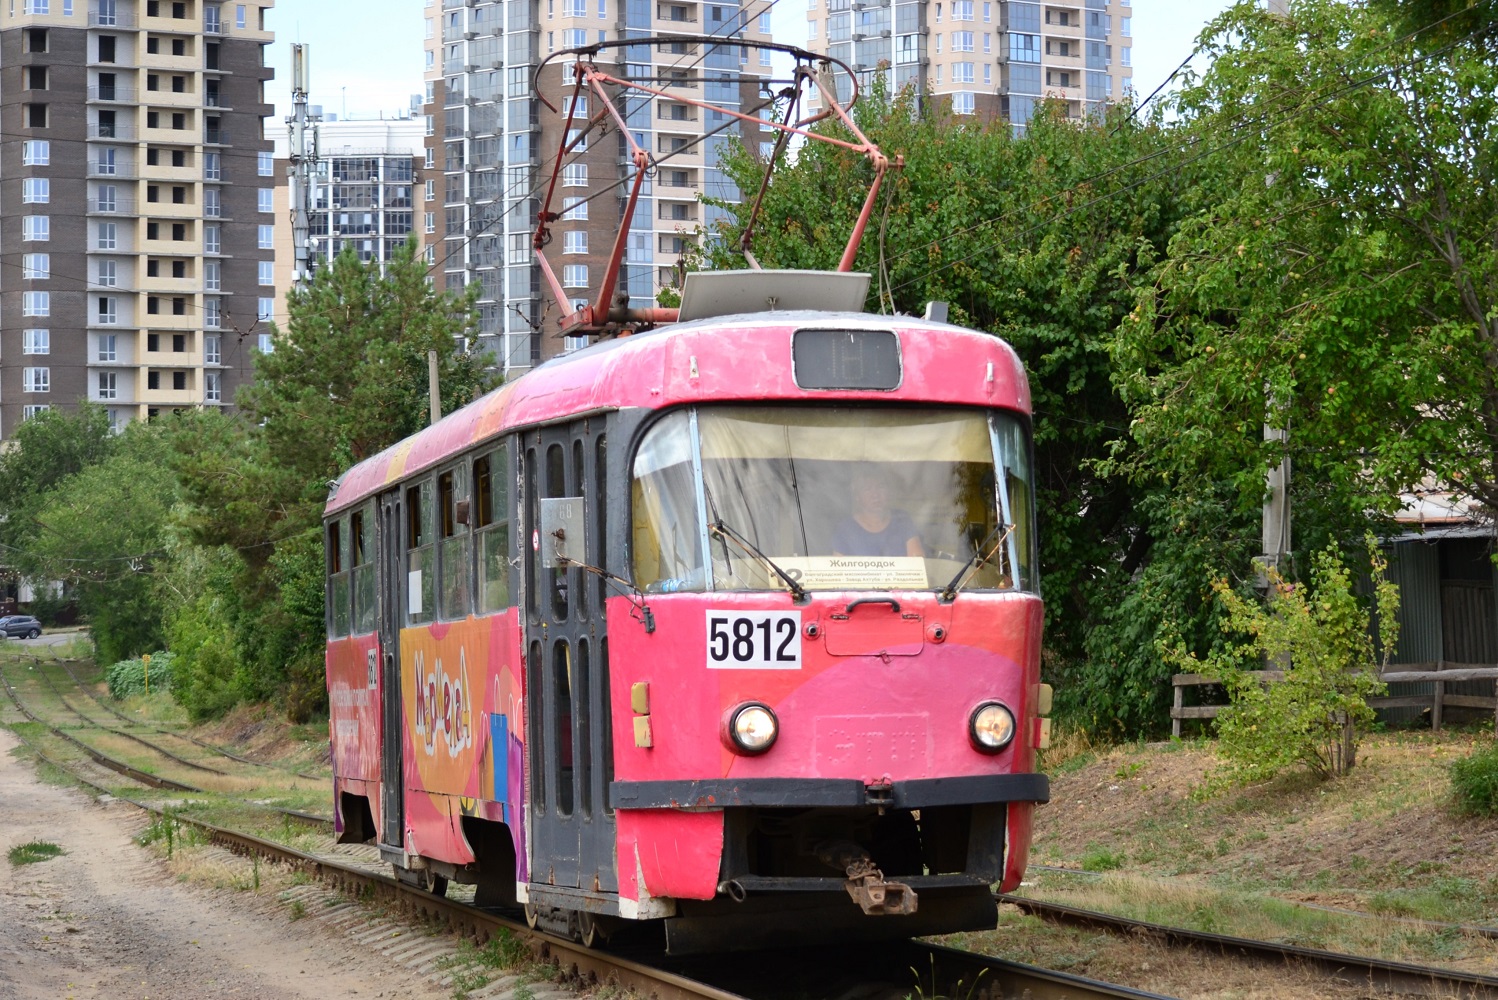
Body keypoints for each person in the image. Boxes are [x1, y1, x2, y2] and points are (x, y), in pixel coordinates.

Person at [831, 471, 925, 557]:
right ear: (857, 497)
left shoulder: (902, 520)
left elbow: (917, 562)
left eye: (880, 487)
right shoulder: (845, 529)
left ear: (889, 492)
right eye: (867, 489)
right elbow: (839, 569)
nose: (875, 495)